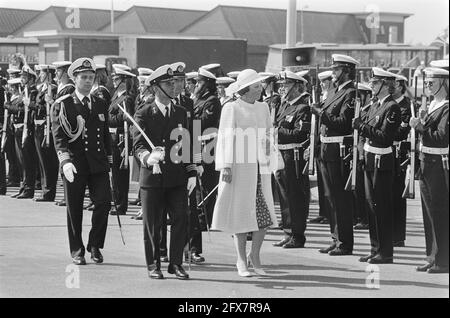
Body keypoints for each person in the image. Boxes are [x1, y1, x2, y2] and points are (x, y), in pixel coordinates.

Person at [133, 64, 197, 280]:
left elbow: (186, 143)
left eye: (175, 83)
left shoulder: (180, 112)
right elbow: (138, 145)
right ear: (156, 87)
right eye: (169, 84)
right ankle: (153, 264)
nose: (175, 87)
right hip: (152, 178)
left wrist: (190, 172)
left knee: (181, 218)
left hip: (176, 177)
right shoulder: (143, 113)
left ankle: (176, 263)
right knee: (152, 224)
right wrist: (147, 158)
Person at [212, 69, 278, 277]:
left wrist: (271, 159)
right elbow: (224, 138)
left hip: (261, 168)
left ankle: (255, 256)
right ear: (245, 89)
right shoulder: (231, 108)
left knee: (264, 215)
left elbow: (269, 133)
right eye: (257, 86)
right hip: (240, 168)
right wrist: (227, 166)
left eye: (261, 86)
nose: (261, 90)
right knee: (241, 214)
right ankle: (241, 259)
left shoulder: (264, 107)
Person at [51, 58, 113, 265]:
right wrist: (65, 160)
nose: (88, 81)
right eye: (84, 77)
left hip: (98, 163)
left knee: (104, 202)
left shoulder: (101, 103)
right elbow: (59, 137)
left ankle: (95, 244)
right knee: (74, 208)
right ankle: (77, 249)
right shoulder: (64, 104)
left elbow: (105, 135)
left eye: (91, 77)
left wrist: (109, 159)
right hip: (75, 163)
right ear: (74, 79)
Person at [311, 54, 358, 256]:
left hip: (339, 150)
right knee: (331, 197)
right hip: (326, 149)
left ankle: (345, 242)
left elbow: (343, 123)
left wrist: (320, 113)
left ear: (347, 71)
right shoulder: (333, 91)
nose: (333, 73)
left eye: (337, 70)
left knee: (340, 198)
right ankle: (336, 237)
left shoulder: (351, 93)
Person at [353, 67, 401, 264]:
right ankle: (375, 248)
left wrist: (362, 126)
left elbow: (385, 138)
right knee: (371, 207)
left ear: (384, 85)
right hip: (371, 160)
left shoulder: (392, 107)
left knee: (381, 208)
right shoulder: (374, 105)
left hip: (382, 162)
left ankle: (385, 252)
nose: (371, 85)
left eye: (374, 82)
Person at [410, 67, 449, 274]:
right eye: (426, 83)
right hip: (426, 160)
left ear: (443, 82)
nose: (428, 86)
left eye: (432, 82)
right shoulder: (433, 104)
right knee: (428, 213)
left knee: (439, 212)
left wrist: (421, 126)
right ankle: (432, 256)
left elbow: (442, 136)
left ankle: (443, 259)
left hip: (438, 162)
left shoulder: (446, 107)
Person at [272, 71, 311, 249]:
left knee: (295, 197)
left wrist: (276, 131)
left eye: (286, 85)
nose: (282, 89)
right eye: (281, 85)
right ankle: (288, 232)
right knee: (284, 197)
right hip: (280, 155)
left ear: (296, 87)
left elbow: (300, 133)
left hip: (293, 157)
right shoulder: (284, 106)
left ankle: (298, 235)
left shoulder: (302, 108)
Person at [193, 68, 222, 236]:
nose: (196, 85)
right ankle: (199, 215)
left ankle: (206, 218)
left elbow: (205, 123)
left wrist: (188, 119)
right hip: (197, 144)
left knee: (207, 183)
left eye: (199, 82)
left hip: (208, 145)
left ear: (208, 85)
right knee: (198, 183)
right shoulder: (198, 100)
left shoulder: (212, 101)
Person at [7, 65, 38, 199]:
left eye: (25, 77)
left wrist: (9, 107)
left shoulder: (32, 92)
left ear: (31, 79)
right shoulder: (23, 93)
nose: (22, 79)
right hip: (18, 129)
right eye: (22, 76)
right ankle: (24, 186)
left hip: (27, 129)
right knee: (21, 161)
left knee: (27, 160)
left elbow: (25, 111)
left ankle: (29, 188)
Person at [108, 67, 136, 216]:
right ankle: (117, 201)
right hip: (113, 137)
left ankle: (121, 204)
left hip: (121, 138)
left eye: (117, 79)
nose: (114, 81)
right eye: (114, 78)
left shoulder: (127, 98)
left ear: (125, 81)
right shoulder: (117, 96)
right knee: (116, 174)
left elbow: (125, 118)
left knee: (120, 174)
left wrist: (108, 119)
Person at [308, 70, 333, 225]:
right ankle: (323, 212)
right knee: (323, 183)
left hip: (327, 143)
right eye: (321, 82)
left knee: (328, 184)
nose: (323, 84)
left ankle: (328, 213)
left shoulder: (330, 97)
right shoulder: (323, 97)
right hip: (319, 142)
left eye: (325, 81)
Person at [32, 65, 59, 202]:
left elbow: (50, 109)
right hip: (38, 128)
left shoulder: (52, 89)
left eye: (42, 73)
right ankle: (44, 189)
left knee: (48, 161)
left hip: (46, 128)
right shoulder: (41, 88)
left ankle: (49, 191)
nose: (40, 75)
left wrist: (49, 101)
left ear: (48, 74)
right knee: (42, 161)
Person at [391, 73, 412, 247]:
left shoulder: (407, 106)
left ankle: (398, 236)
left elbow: (401, 132)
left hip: (399, 154)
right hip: (385, 152)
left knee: (397, 195)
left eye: (393, 84)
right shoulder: (387, 104)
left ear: (399, 86)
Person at [52, 61, 75, 207]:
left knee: (65, 163)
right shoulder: (62, 88)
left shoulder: (69, 89)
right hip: (58, 129)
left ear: (66, 72)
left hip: (66, 131)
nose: (56, 74)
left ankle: (69, 196)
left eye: (58, 71)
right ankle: (67, 196)